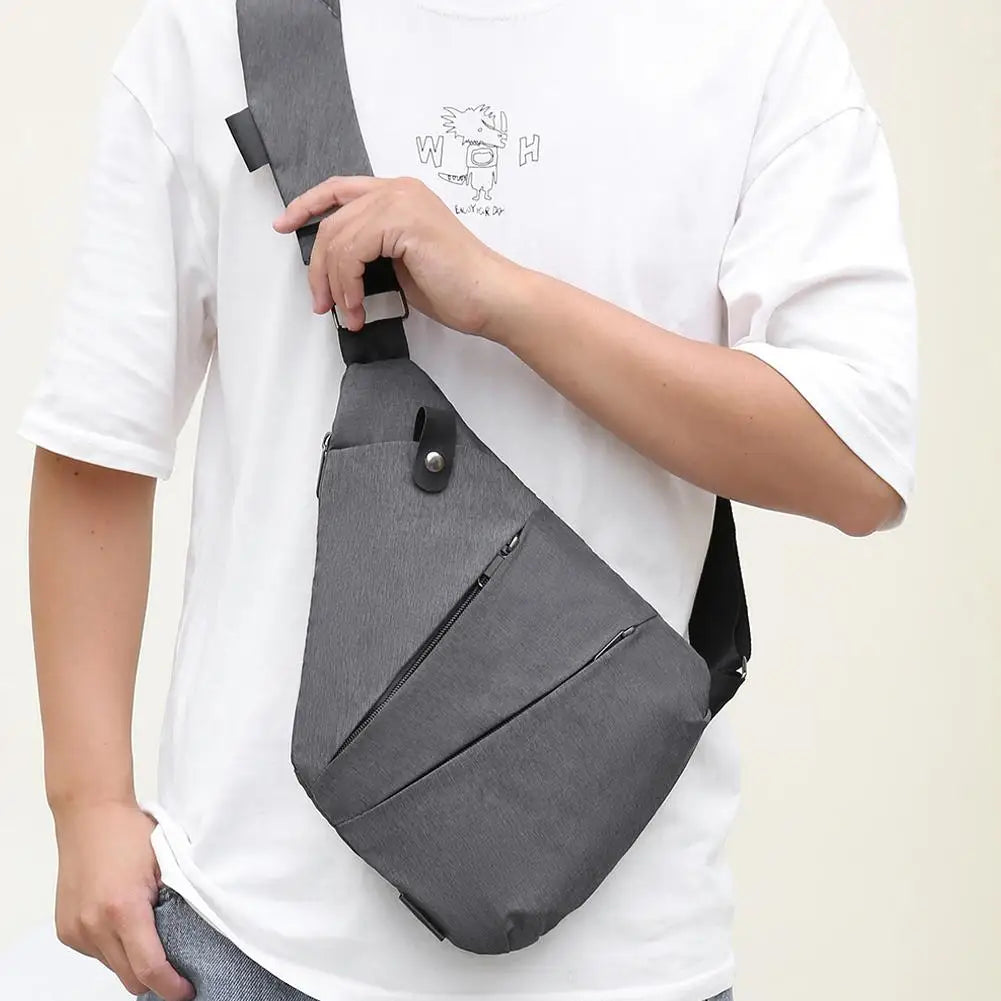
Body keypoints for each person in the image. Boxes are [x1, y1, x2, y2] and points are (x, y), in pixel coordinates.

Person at [19, 0, 918, 999]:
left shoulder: (752, 38)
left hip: (627, 958)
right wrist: (86, 804)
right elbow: (102, 437)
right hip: (254, 932)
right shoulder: (214, 30)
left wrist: (502, 298)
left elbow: (856, 462)